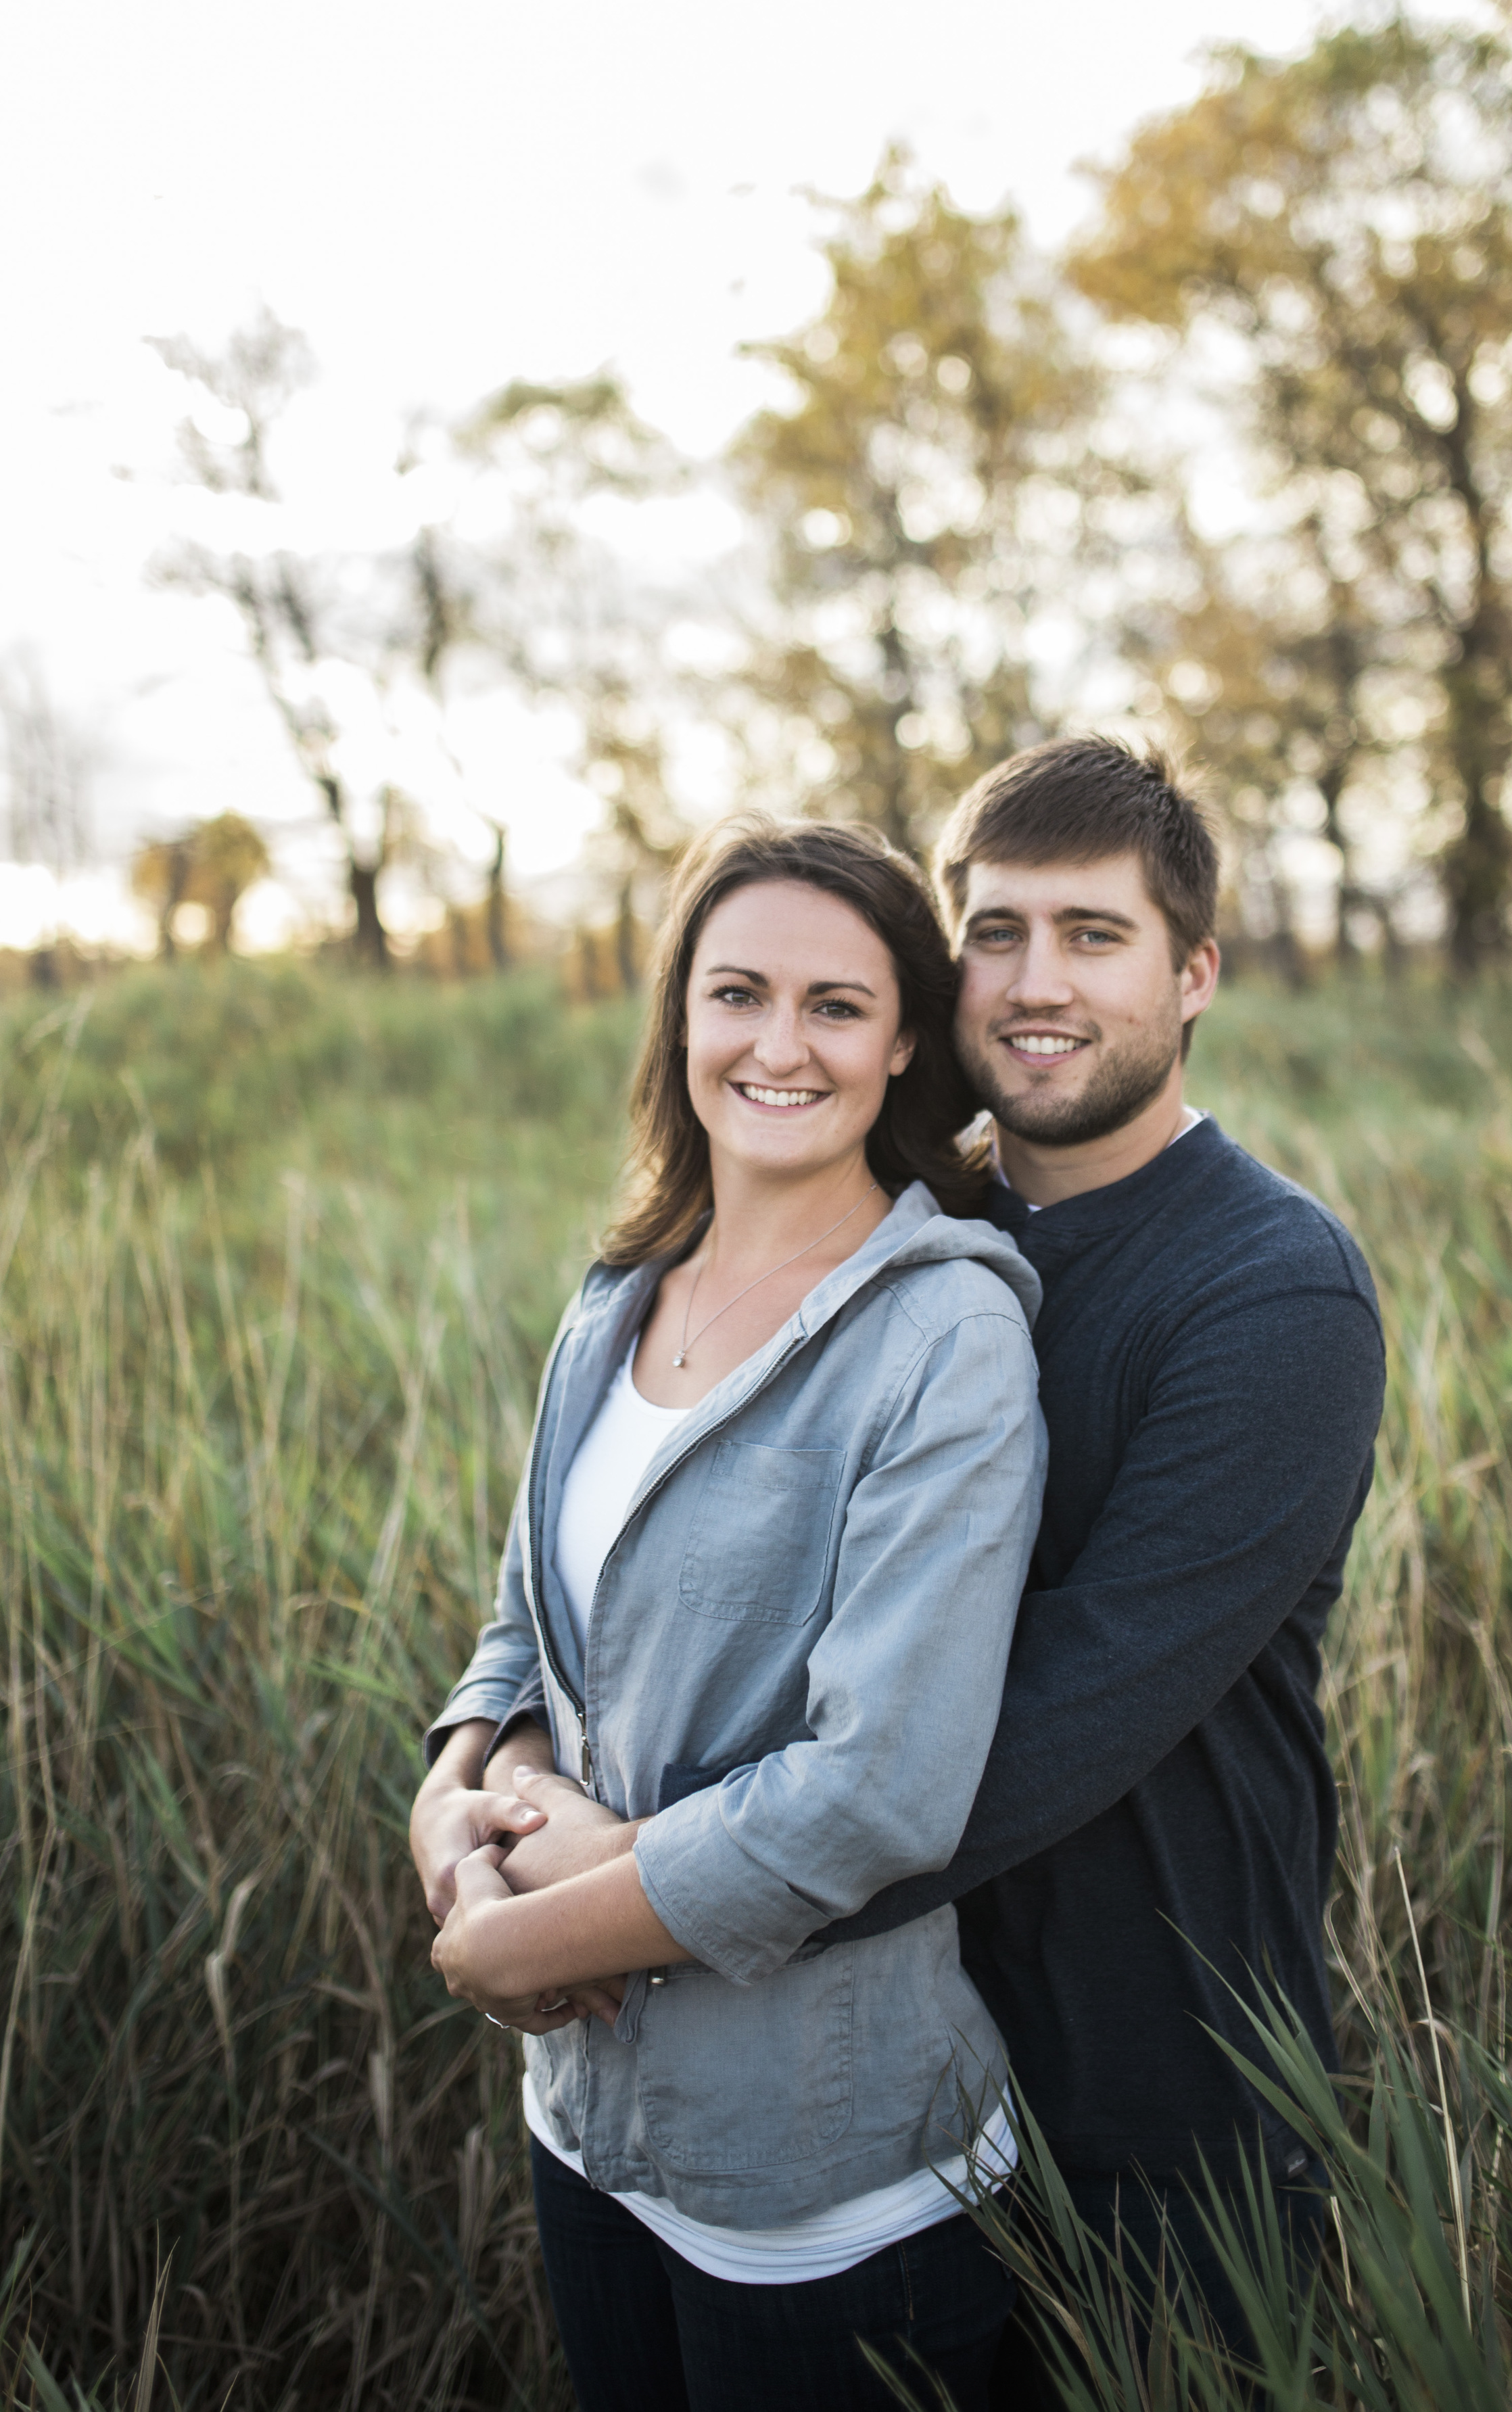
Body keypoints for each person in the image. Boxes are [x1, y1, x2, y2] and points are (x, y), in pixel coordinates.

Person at [408, 818, 1046, 2412]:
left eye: (834, 1006)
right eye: (736, 992)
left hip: (821, 2177)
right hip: (583, 2119)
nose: (778, 1045)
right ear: (678, 1018)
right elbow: (522, 1632)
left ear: (903, 1039)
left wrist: (509, 1945)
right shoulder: (621, 1288)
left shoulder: (945, 1336)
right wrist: (447, 1810)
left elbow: (877, 1789)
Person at [826, 736, 1387, 2376]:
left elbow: (1073, 1706)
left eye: (1091, 934)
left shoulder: (1272, 1290)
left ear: (1192, 971)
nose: (1031, 982)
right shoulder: (899, 1236)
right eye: (993, 932)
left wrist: (660, 1896)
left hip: (1167, 2092)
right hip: (889, 2067)